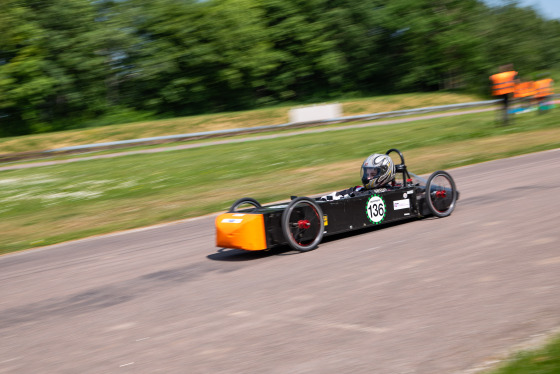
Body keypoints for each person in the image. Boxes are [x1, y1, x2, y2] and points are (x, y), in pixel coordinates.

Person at [320, 153, 395, 201]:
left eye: (372, 174)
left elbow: (357, 196)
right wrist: (322, 200)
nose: (368, 178)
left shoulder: (385, 191)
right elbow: (340, 194)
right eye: (367, 174)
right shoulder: (359, 189)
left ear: (384, 174)